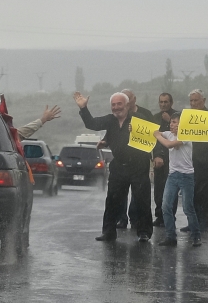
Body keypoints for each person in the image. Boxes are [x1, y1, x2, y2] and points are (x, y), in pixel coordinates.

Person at [74, 91, 153, 242]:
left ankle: (144, 232)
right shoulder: (110, 120)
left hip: (138, 166)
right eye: (113, 105)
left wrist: (137, 133)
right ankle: (108, 232)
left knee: (142, 200)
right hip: (119, 166)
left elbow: (151, 138)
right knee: (112, 200)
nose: (116, 108)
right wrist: (84, 108)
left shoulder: (139, 119)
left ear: (127, 105)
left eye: (119, 104)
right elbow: (92, 124)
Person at [153, 112, 201, 247]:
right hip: (173, 175)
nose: (171, 125)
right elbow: (154, 131)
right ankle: (170, 236)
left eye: (175, 122)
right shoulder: (168, 134)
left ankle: (196, 236)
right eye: (171, 122)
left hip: (187, 176)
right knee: (166, 206)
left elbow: (169, 145)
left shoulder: (186, 136)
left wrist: (157, 135)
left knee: (188, 208)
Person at [114, 88, 154, 229]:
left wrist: (156, 155)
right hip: (123, 160)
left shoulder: (145, 114)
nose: (125, 101)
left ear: (134, 99)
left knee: (139, 192)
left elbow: (154, 133)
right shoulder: (118, 115)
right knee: (121, 192)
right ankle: (121, 218)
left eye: (128, 98)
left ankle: (137, 219)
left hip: (140, 159)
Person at [180, 89, 208, 233]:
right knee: (191, 193)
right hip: (189, 160)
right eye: (191, 101)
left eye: (196, 100)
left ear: (204, 100)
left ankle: (205, 223)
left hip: (205, 161)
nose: (193, 103)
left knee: (204, 194)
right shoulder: (187, 117)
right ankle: (193, 222)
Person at [152, 93, 178, 226]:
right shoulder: (155, 117)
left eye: (166, 102)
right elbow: (153, 139)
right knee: (158, 188)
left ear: (171, 103)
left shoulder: (177, 116)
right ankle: (159, 216)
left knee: (171, 190)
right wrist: (156, 155)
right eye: (161, 102)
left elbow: (180, 134)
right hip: (159, 157)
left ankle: (170, 216)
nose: (163, 104)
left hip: (173, 158)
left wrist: (170, 121)